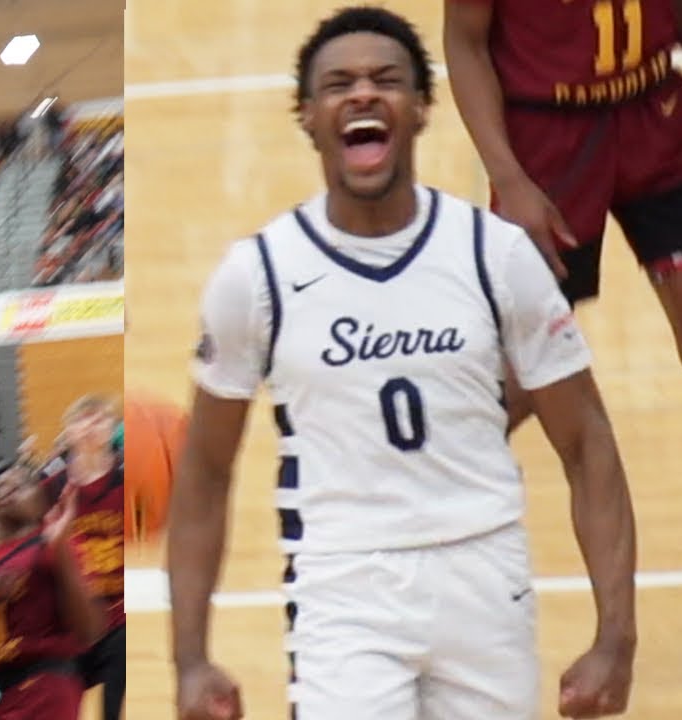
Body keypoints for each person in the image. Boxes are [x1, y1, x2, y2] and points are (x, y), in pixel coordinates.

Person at [169, 8, 638, 720]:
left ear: (421, 109)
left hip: (485, 573)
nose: (363, 94)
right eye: (339, 84)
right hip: (342, 586)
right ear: (306, 114)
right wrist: (191, 657)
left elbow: (588, 443)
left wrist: (617, 636)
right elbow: (204, 472)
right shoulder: (257, 274)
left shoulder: (497, 255)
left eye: (387, 80)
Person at [441, 0, 682, 684]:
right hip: (547, 142)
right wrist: (508, 176)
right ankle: (425, 571)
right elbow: (465, 44)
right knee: (512, 389)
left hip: (654, 116)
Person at [0, 466, 104, 720]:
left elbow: (91, 630)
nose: (9, 484)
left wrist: (61, 552)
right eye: (0, 483)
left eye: (22, 483)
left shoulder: (52, 546)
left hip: (44, 689)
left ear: (42, 502)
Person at [41, 396, 126, 720]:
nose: (91, 426)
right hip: (70, 619)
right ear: (68, 433)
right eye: (82, 420)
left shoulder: (130, 478)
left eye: (100, 419)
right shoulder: (50, 484)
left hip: (117, 616)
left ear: (113, 428)